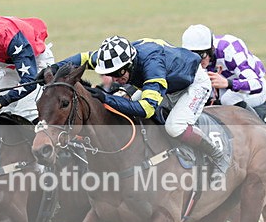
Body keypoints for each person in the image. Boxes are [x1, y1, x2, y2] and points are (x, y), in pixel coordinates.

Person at [53, 35, 222, 163]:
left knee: (174, 127)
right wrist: (53, 68)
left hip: (193, 84)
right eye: (110, 74)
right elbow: (83, 58)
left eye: (119, 73)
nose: (115, 79)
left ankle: (215, 154)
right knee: (123, 104)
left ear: (130, 64)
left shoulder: (152, 64)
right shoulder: (114, 56)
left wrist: (106, 98)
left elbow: (147, 109)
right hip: (168, 84)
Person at [181, 24, 266, 109]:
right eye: (191, 55)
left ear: (211, 50)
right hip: (222, 90)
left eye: (201, 55)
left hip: (253, 90)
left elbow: (257, 85)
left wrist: (229, 83)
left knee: (227, 100)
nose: (198, 62)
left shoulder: (230, 49)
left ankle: (256, 123)